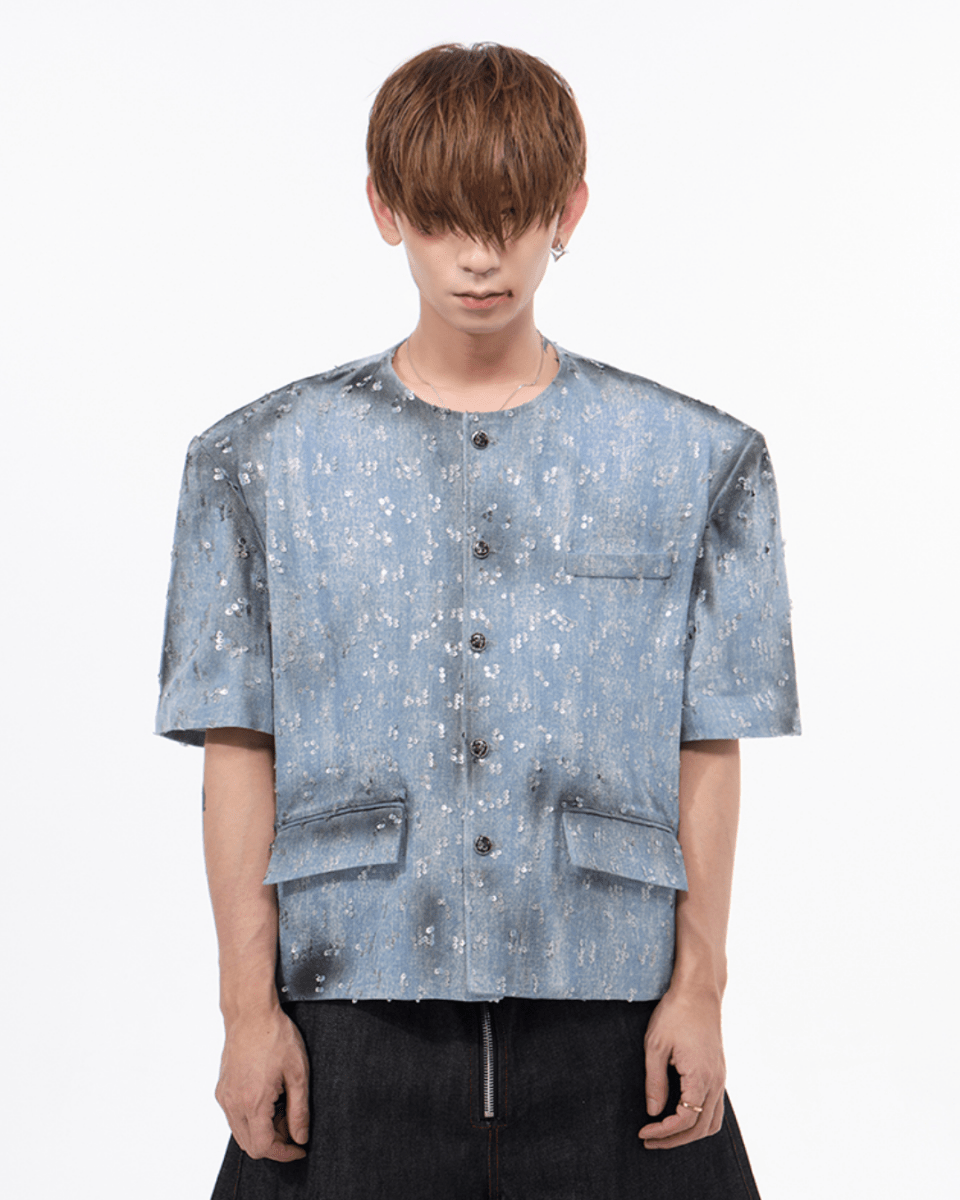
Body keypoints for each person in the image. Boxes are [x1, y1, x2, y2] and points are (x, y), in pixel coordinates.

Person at [155, 42, 800, 1200]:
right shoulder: (256, 463)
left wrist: (700, 989)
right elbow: (236, 745)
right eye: (444, 217)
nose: (480, 254)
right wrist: (246, 1011)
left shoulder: (697, 461)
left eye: (511, 216)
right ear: (384, 210)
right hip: (350, 1011)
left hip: (615, 1014)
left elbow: (707, 739)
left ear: (569, 212)